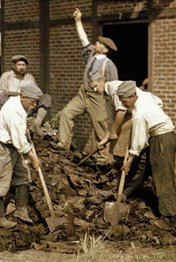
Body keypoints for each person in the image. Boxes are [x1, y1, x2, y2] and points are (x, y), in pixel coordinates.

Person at [54, 8, 118, 164]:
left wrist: (110, 105)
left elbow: (114, 87)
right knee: (66, 113)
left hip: (98, 99)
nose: (95, 43)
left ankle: (102, 160)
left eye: (98, 43)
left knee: (100, 128)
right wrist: (78, 21)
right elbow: (83, 39)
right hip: (83, 94)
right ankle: (63, 145)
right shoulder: (91, 55)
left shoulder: (109, 65)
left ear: (105, 48)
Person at [119, 81, 176, 217]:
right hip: (160, 137)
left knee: (163, 177)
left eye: (124, 101)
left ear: (133, 96)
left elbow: (138, 143)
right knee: (142, 167)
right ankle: (126, 194)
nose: (123, 105)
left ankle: (169, 214)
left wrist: (128, 161)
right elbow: (159, 102)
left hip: (162, 139)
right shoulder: (144, 95)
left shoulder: (139, 114)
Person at [0, 83, 41, 229]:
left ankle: (21, 211)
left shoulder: (19, 103)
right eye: (32, 101)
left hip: (13, 144)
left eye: (36, 102)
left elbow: (19, 135)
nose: (34, 105)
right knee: (0, 181)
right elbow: (20, 142)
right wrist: (34, 159)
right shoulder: (14, 111)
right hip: (2, 146)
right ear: (23, 97)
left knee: (23, 175)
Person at [0, 55, 52, 136]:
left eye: (23, 65)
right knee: (1, 96)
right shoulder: (6, 76)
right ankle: (12, 122)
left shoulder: (29, 77)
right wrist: (17, 94)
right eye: (19, 65)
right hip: (12, 106)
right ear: (13, 66)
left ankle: (37, 124)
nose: (22, 67)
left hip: (27, 106)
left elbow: (37, 93)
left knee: (46, 97)